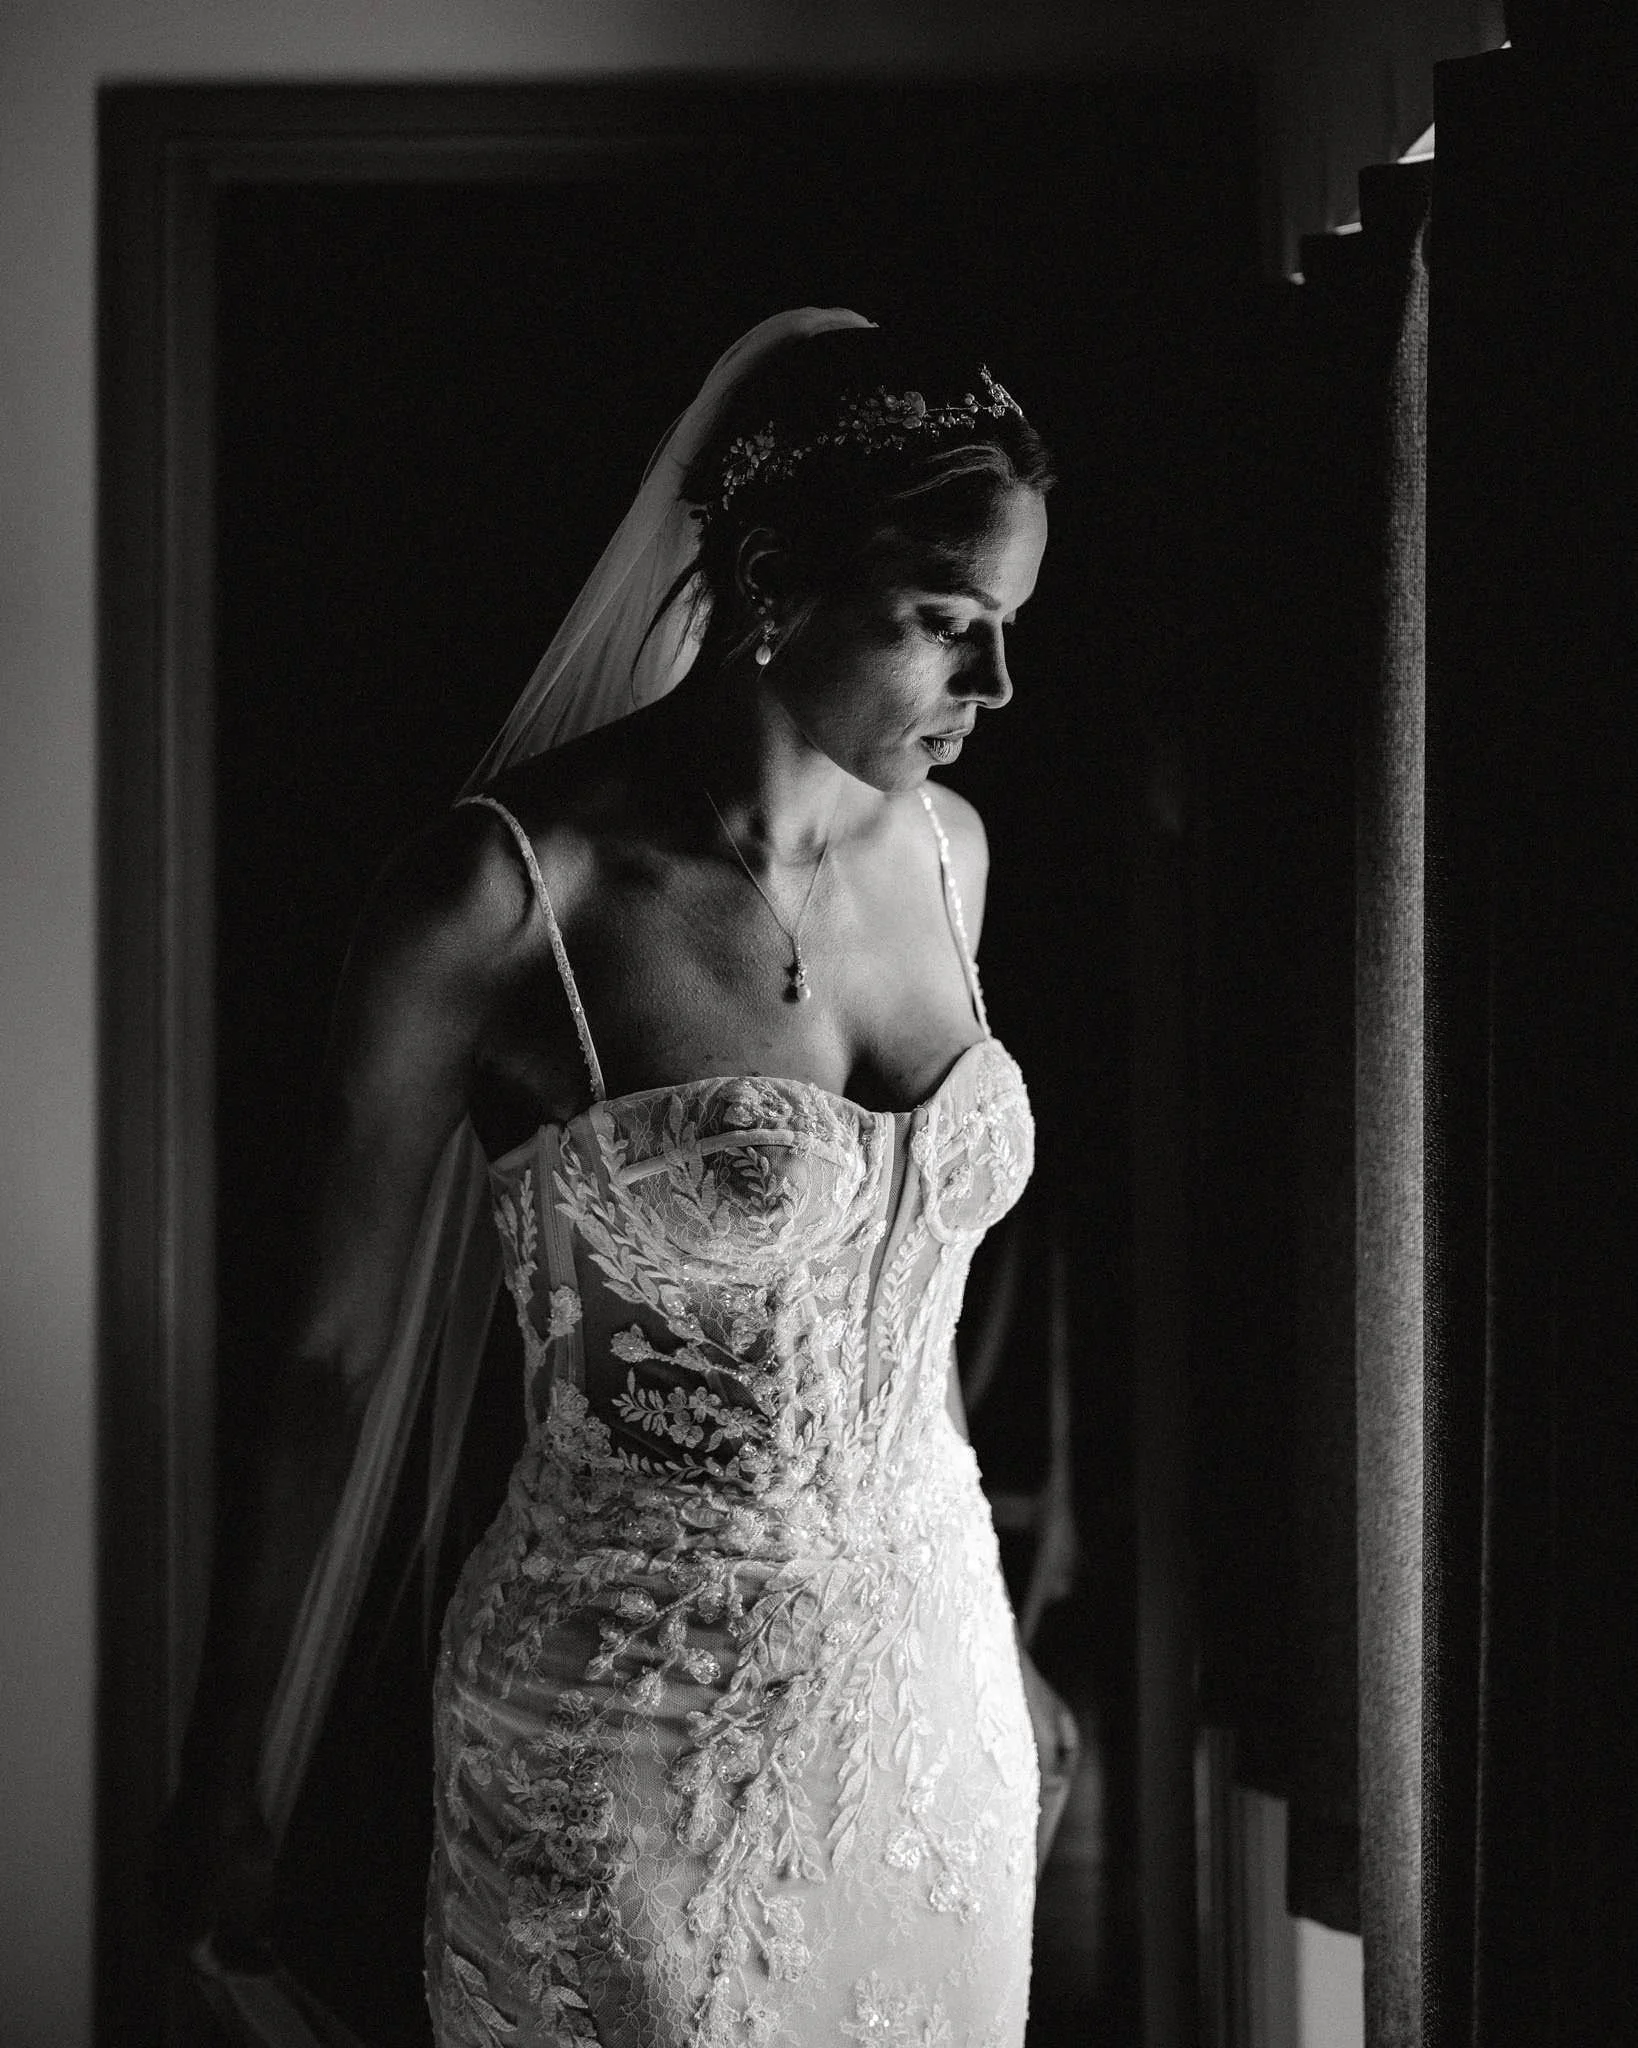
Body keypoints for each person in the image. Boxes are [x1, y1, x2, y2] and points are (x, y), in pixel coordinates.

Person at [176, 309, 1078, 2048]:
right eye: (941, 622)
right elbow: (329, 1363)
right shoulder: (503, 898)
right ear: (771, 581)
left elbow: (888, 1310)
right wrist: (231, 1768)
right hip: (621, 1726)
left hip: (930, 1706)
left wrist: (1001, 1641)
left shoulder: (950, 855)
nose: (994, 687)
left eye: (1009, 627)